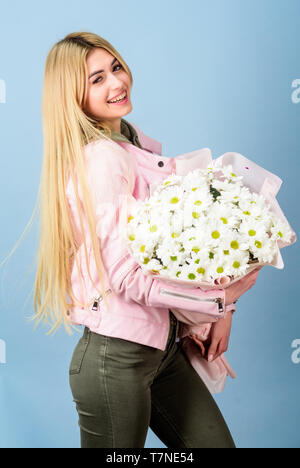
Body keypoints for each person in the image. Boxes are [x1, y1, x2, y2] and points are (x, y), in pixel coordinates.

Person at [34, 31, 261, 448]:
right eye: (96, 79)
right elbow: (126, 276)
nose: (116, 83)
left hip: (163, 354)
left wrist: (209, 314)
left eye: (115, 68)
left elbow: (171, 253)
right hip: (114, 361)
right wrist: (218, 301)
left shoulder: (133, 142)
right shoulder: (104, 159)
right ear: (73, 97)